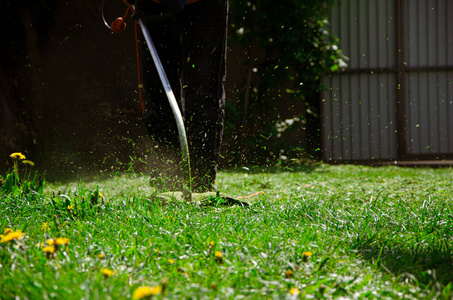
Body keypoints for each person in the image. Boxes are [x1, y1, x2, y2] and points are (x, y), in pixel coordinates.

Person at [135, 0, 228, 192]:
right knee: (158, 93)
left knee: (204, 92)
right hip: (153, 5)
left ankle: (201, 183)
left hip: (205, 7)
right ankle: (168, 180)